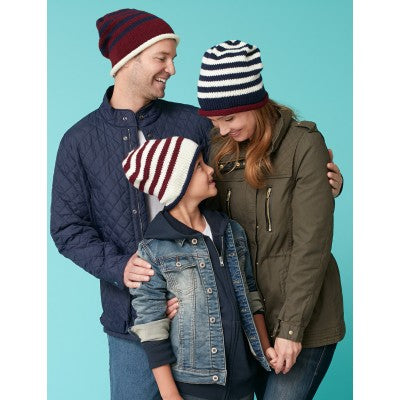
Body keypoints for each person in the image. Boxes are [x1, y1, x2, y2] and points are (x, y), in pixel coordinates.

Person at [50, 7, 343, 400]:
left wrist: (321, 185)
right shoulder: (78, 141)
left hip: (215, 313)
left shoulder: (196, 122)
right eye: (162, 58)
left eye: (173, 58)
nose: (172, 69)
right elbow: (67, 228)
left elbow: (249, 178)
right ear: (128, 60)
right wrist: (121, 268)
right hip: (134, 318)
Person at [195, 40, 346, 400]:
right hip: (250, 324)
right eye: (214, 121)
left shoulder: (303, 145)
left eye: (229, 118)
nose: (222, 129)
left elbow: (312, 244)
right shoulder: (218, 150)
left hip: (306, 320)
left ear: (254, 103)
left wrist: (291, 329)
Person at [122, 136, 275, 400]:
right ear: (177, 184)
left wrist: (265, 348)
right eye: (199, 167)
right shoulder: (153, 250)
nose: (210, 170)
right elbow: (151, 326)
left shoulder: (231, 231)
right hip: (195, 388)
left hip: (243, 384)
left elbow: (251, 295)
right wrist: (170, 395)